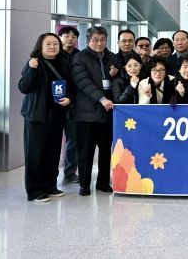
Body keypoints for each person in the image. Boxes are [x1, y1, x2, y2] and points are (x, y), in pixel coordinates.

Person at [19, 33, 73, 202]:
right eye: (48, 44)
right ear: (40, 47)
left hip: (57, 115)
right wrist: (32, 69)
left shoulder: (64, 63)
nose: (52, 47)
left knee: (53, 153)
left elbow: (71, 86)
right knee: (35, 154)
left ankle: (50, 186)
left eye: (55, 43)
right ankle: (35, 191)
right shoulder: (34, 63)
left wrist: (70, 99)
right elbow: (24, 88)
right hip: (37, 116)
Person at [71, 26, 117, 196]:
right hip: (87, 113)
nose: (99, 43)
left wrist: (114, 74)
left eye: (103, 40)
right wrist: (101, 98)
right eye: (95, 40)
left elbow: (116, 81)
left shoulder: (112, 57)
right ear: (88, 40)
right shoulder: (79, 57)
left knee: (105, 150)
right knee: (86, 151)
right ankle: (84, 184)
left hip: (108, 113)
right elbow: (83, 81)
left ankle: (103, 182)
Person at [57, 25, 80, 184]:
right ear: (60, 38)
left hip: (73, 104)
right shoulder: (54, 55)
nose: (70, 39)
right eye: (66, 36)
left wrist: (72, 98)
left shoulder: (80, 56)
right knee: (53, 141)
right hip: (55, 104)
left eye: (73, 36)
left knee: (73, 141)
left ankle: (70, 172)